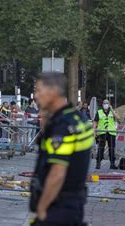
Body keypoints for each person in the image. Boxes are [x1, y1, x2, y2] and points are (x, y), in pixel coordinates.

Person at [30, 72, 93, 226]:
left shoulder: (62, 125)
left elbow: (57, 172)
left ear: (53, 91)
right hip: (73, 203)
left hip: (58, 206)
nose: (35, 96)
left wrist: (42, 208)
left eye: (39, 90)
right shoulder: (78, 118)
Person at [93, 99, 120, 169]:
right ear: (102, 104)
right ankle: (98, 163)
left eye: (107, 103)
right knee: (101, 148)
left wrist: (112, 110)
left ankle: (112, 164)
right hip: (102, 132)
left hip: (111, 133)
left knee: (112, 148)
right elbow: (95, 122)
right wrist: (94, 132)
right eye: (104, 103)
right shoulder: (99, 112)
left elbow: (118, 118)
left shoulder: (112, 112)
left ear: (109, 104)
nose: (106, 105)